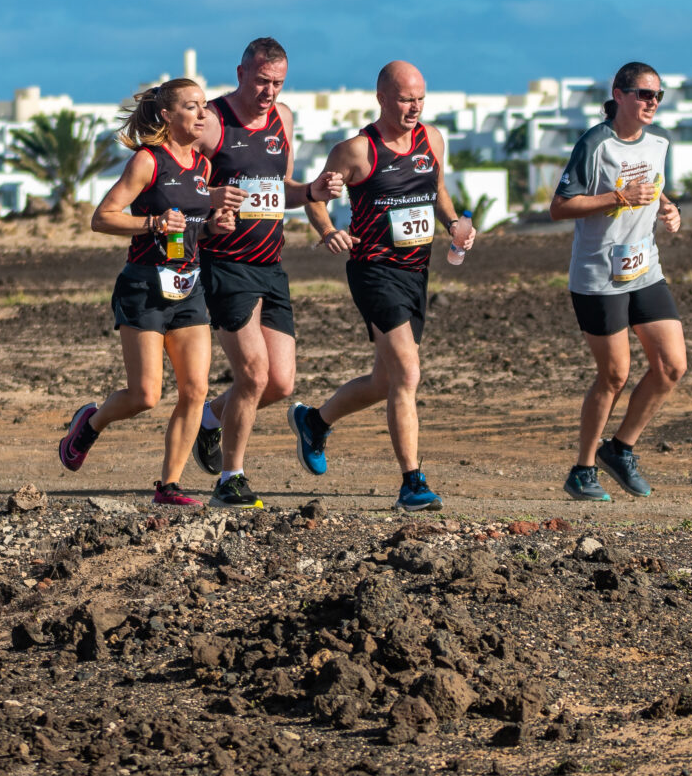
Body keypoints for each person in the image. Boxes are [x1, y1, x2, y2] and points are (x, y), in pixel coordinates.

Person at [288, 61, 477, 512]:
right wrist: (327, 231)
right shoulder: (356, 151)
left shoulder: (432, 139)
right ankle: (412, 483)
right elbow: (315, 197)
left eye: (421, 99)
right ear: (382, 99)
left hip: (416, 271)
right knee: (408, 374)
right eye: (406, 99)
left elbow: (437, 189)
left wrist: (454, 224)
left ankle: (315, 422)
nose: (415, 108)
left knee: (384, 380)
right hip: (374, 270)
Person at [58, 78, 233, 507]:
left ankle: (168, 487)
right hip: (144, 288)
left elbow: (189, 228)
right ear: (168, 115)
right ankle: (89, 424)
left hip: (189, 287)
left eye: (204, 106)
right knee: (145, 396)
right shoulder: (147, 161)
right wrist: (153, 223)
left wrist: (212, 228)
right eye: (191, 106)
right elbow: (103, 217)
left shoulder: (202, 166)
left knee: (195, 390)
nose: (203, 114)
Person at [189, 38, 344, 509]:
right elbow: (174, 188)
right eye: (261, 81)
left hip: (271, 264)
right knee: (253, 376)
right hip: (226, 264)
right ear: (240, 74)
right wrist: (209, 204)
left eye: (277, 83)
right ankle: (230, 479)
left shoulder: (284, 119)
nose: (269, 92)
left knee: (279, 384)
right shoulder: (212, 123)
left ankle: (211, 419)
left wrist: (313, 190)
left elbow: (282, 188)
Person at [548, 61, 686, 501]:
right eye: (644, 94)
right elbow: (560, 207)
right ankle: (582, 469)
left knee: (671, 366)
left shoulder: (659, 143)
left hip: (644, 269)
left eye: (658, 95)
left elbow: (652, 185)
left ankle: (620, 449)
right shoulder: (595, 143)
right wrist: (618, 198)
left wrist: (668, 207)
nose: (652, 102)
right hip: (598, 276)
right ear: (620, 94)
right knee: (614, 375)